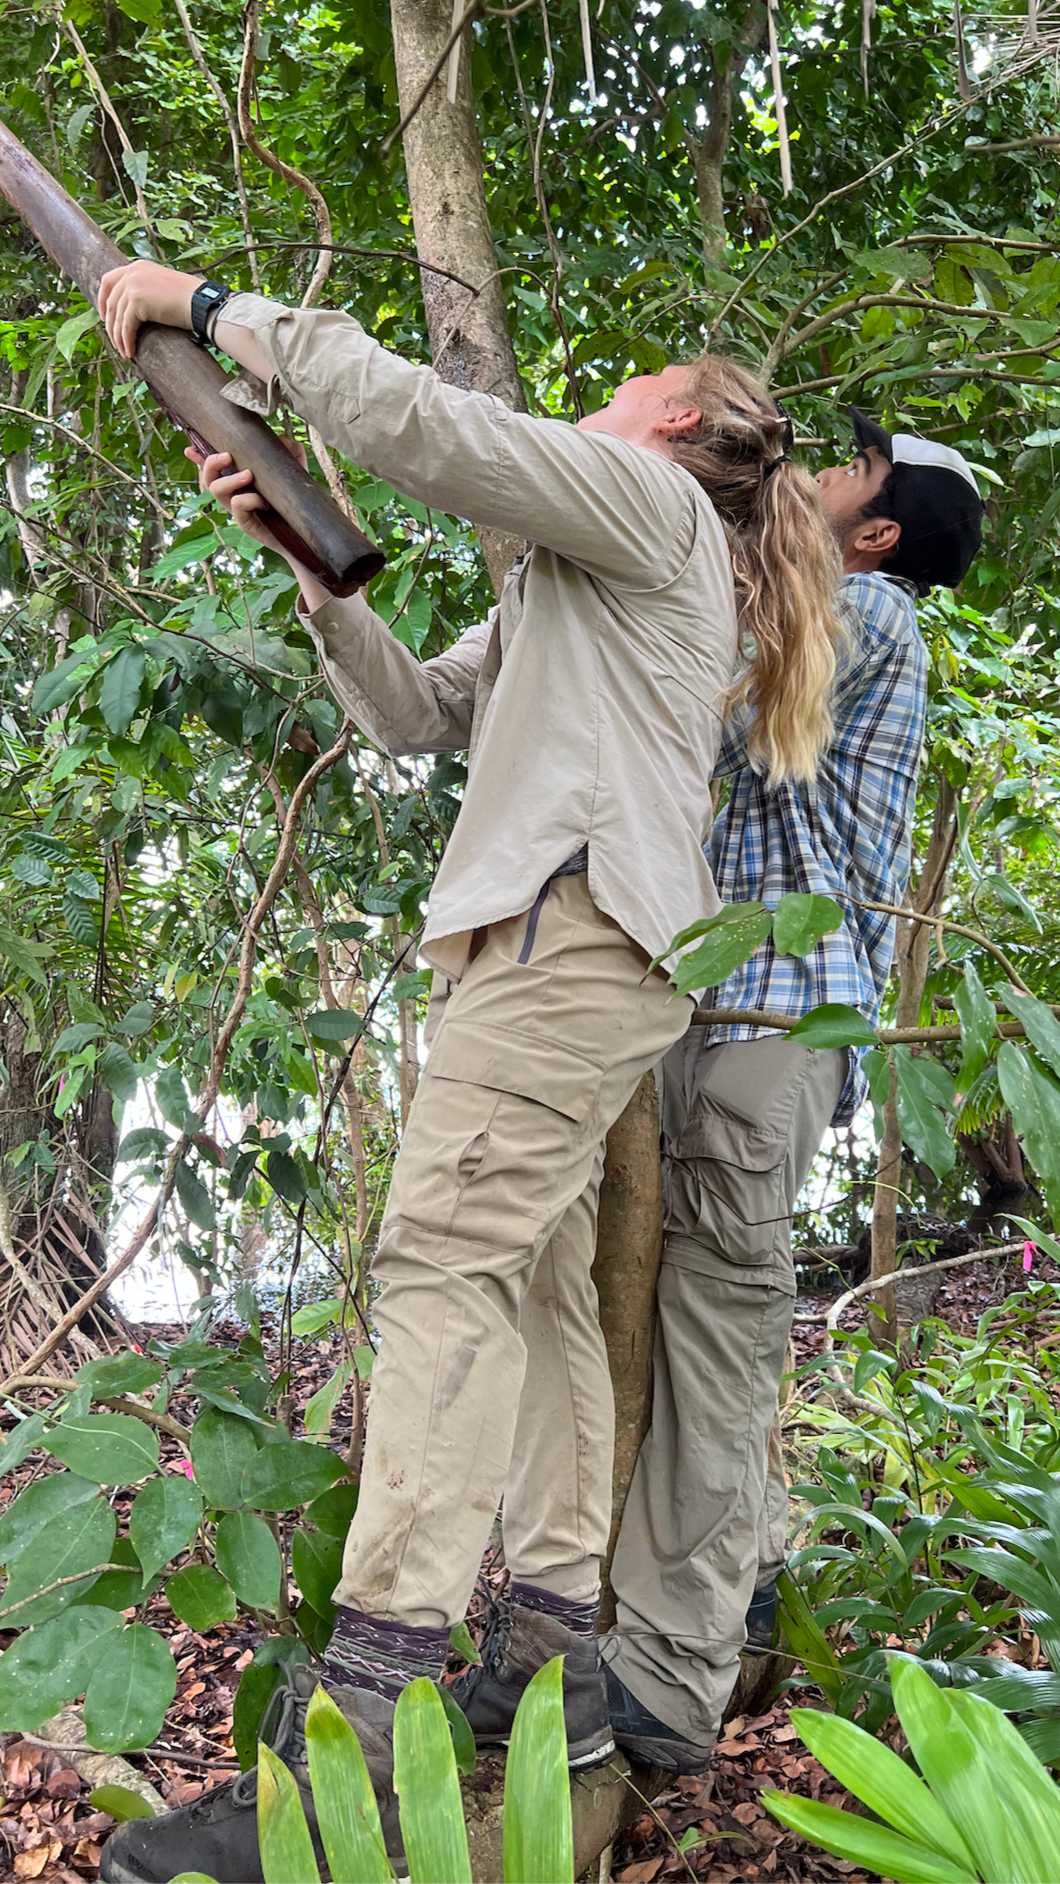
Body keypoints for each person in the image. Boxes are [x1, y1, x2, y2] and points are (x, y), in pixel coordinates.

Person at [94, 260, 842, 1881]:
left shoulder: (650, 507)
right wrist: (312, 561)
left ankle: (355, 1736)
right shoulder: (581, 581)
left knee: (437, 1266)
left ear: (684, 421)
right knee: (540, 1288)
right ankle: (552, 1651)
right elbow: (416, 719)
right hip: (584, 948)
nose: (614, 391)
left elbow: (432, 429)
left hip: (564, 943)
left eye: (638, 377)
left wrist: (215, 310)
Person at [603, 409, 985, 1771]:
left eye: (846, 471)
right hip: (715, 994)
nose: (814, 476)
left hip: (774, 1010)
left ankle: (663, 1684)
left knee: (718, 1318)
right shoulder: (823, 602)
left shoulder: (870, 617)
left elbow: (691, 654)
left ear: (874, 531)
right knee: (702, 1310)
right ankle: (749, 1575)